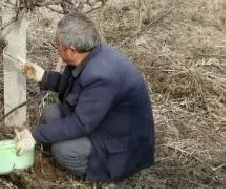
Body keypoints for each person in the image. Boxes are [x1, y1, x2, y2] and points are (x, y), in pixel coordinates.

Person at [14, 12, 155, 182]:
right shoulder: (90, 53)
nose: (57, 49)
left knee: (64, 150)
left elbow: (81, 123)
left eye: (58, 46)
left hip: (121, 144)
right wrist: (42, 76)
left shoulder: (101, 76)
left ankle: (100, 175)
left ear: (72, 50)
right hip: (104, 121)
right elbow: (75, 86)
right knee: (50, 113)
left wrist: (34, 135)